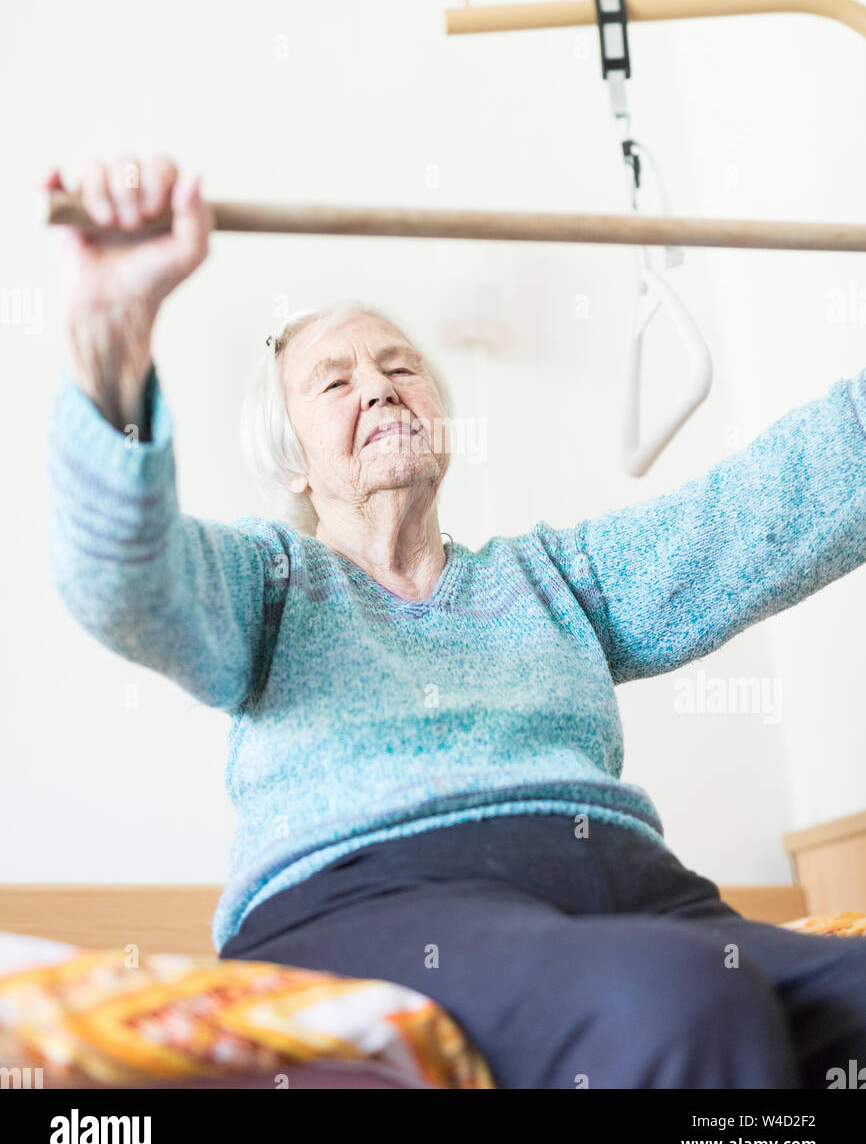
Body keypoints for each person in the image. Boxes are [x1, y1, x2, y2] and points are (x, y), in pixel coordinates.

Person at [46, 154, 866, 1090]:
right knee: (673, 999)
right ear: (295, 465)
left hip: (636, 896)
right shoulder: (268, 581)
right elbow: (126, 581)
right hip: (369, 900)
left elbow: (760, 516)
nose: (382, 387)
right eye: (335, 382)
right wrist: (110, 353)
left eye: (401, 367)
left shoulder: (551, 577)